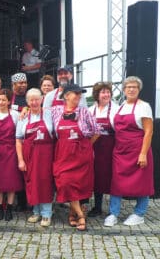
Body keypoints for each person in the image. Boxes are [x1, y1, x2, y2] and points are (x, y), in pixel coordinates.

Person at [104, 76, 154, 227]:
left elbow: (149, 132)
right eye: (128, 87)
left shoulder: (144, 106)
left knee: (142, 182)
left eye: (135, 87)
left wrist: (143, 153)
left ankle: (139, 213)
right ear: (124, 90)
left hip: (138, 149)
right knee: (116, 183)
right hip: (120, 151)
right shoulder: (120, 106)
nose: (131, 89)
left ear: (139, 90)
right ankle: (113, 213)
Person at [51, 84, 99, 231]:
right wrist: (26, 110)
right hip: (63, 152)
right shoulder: (55, 111)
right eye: (75, 94)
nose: (78, 96)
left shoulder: (84, 112)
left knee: (78, 184)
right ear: (66, 96)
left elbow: (96, 131)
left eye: (80, 94)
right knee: (64, 182)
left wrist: (85, 145)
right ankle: (80, 215)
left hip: (81, 153)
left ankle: (74, 214)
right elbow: (36, 110)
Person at [16, 88, 54, 227]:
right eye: (31, 100)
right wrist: (20, 159)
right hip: (29, 155)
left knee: (45, 182)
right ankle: (36, 211)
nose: (34, 102)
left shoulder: (50, 114)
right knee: (32, 182)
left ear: (42, 100)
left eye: (37, 99)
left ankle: (46, 213)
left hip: (46, 155)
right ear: (27, 102)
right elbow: (18, 140)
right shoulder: (23, 117)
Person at [0, 89, 21, 221]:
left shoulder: (15, 115)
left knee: (11, 180)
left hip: (11, 150)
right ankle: (0, 206)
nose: (1, 102)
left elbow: (18, 133)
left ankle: (10, 207)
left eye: (3, 100)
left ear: (9, 101)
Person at [87, 82, 118, 217]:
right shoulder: (90, 110)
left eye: (108, 92)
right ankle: (97, 207)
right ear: (97, 95)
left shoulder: (117, 109)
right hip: (94, 148)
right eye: (103, 92)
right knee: (96, 177)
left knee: (113, 177)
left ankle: (113, 209)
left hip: (111, 148)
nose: (106, 95)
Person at [9, 73, 28, 211]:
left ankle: (29, 201)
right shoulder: (10, 98)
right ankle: (20, 202)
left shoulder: (30, 97)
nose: (22, 85)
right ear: (13, 85)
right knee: (17, 172)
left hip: (28, 138)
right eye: (19, 83)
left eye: (24, 82)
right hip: (12, 139)